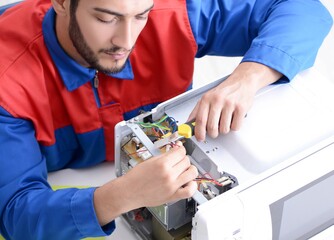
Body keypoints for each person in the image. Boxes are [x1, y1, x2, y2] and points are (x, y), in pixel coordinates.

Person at [0, 0, 332, 239]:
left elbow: (304, 9)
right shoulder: (7, 80)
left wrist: (246, 78)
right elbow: (16, 213)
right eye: (106, 18)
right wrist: (123, 195)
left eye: (140, 15)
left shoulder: (175, 12)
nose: (126, 41)